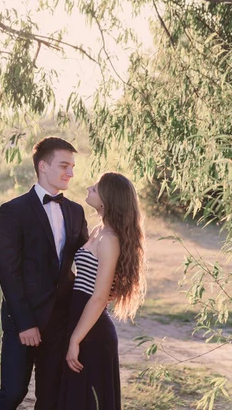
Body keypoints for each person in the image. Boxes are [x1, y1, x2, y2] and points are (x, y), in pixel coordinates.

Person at [0, 137, 89, 410]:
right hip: (23, 318)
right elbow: (8, 271)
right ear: (43, 166)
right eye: (64, 166)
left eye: (73, 167)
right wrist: (24, 323)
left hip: (60, 320)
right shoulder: (13, 211)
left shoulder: (76, 211)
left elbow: (86, 257)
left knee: (50, 397)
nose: (70, 173)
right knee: (13, 392)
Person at [59, 172, 146, 410]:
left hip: (92, 333)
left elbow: (98, 298)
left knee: (87, 402)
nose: (89, 188)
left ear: (107, 200)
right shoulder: (100, 230)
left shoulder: (109, 239)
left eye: (95, 188)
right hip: (83, 322)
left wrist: (75, 339)